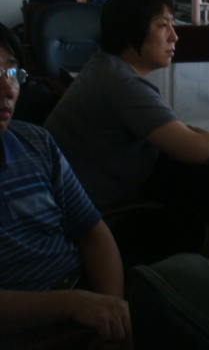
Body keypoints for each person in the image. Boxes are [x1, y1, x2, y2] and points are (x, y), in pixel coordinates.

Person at [45, 0, 209, 208]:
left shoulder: (105, 66)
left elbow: (179, 131)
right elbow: (195, 149)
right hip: (91, 220)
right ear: (131, 31)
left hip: (69, 202)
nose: (174, 36)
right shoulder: (123, 84)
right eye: (163, 25)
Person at [0, 23, 130, 347]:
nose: (8, 88)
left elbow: (92, 232)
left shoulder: (36, 141)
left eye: (12, 72)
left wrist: (112, 312)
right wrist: (74, 305)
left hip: (89, 308)